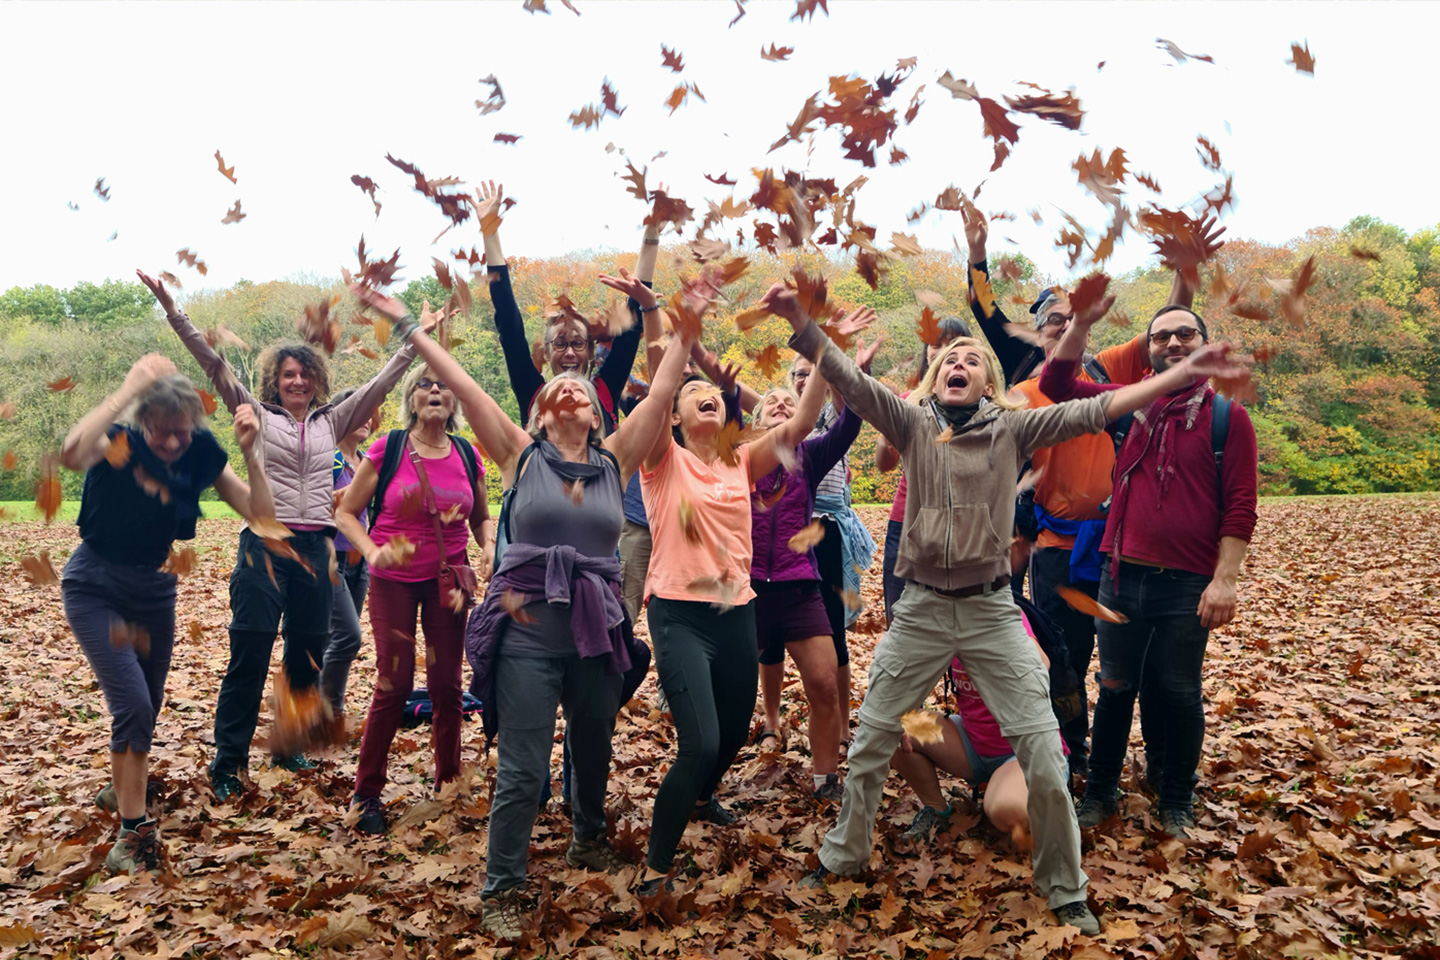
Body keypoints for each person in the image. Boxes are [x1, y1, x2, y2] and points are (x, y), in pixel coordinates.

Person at [769, 280, 1247, 935]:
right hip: (923, 611)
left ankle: (1064, 883)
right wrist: (800, 319)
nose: (958, 366)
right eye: (948, 362)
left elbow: (1104, 408)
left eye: (971, 361)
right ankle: (846, 851)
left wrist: (1181, 374)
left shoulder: (1015, 428)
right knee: (875, 734)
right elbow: (847, 379)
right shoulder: (910, 422)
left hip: (994, 611)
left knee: (1046, 755)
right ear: (934, 381)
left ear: (990, 383)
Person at [370, 277, 692, 940]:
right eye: (555, 390)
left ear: (599, 413)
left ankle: (587, 838)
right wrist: (410, 327)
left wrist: (674, 316)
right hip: (527, 637)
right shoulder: (521, 457)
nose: (568, 389)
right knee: (522, 767)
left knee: (595, 749)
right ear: (540, 411)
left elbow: (662, 390)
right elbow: (461, 383)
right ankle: (503, 884)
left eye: (579, 388)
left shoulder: (614, 460)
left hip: (596, 632)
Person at [138, 270, 425, 800]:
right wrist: (175, 312)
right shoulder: (255, 412)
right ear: (277, 379)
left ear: (316, 379)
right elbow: (213, 363)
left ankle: (291, 747)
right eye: (289, 375)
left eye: (305, 375)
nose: (297, 382)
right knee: (249, 652)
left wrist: (413, 341)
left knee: (307, 654)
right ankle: (228, 763)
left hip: (316, 549)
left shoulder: (332, 420)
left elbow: (381, 384)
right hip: (264, 547)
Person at [961, 208, 1225, 773]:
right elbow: (986, 314)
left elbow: (1171, 330)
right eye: (1052, 319)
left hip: (1117, 544)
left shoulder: (1108, 370)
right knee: (1066, 656)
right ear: (1037, 330)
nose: (1060, 324)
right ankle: (1070, 753)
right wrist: (977, 252)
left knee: (1133, 663)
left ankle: (1151, 758)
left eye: (1070, 318)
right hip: (1055, 543)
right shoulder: (1024, 387)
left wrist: (1185, 270)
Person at [635, 302, 834, 897]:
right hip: (677, 612)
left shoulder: (742, 461)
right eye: (694, 393)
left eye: (715, 394)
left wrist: (822, 353)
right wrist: (659, 319)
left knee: (734, 731)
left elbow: (801, 424)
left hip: (736, 613)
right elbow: (659, 381)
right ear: (673, 415)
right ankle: (655, 869)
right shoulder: (661, 460)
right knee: (700, 741)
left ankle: (700, 797)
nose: (709, 396)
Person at [1041, 303, 1258, 839]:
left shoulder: (1229, 418)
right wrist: (1082, 325)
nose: (1173, 343)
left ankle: (1176, 800)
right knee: (1115, 687)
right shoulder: (1126, 406)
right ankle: (1100, 795)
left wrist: (1224, 578)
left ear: (1204, 344)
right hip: (1120, 574)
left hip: (1187, 582)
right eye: (1161, 337)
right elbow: (1057, 381)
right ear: (1149, 348)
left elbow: (1240, 505)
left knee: (1179, 689)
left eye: (1186, 334)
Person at [59, 354, 275, 873]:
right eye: (161, 433)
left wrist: (252, 453)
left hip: (155, 588)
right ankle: (132, 838)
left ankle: (121, 790)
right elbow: (70, 455)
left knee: (147, 706)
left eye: (181, 432)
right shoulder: (119, 439)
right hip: (95, 584)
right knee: (132, 705)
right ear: (141, 422)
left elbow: (261, 515)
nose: (173, 443)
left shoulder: (200, 448)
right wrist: (129, 384)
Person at [333, 346, 493, 834]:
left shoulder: (468, 454)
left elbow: (483, 517)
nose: (435, 390)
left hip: (450, 581)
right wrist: (371, 549)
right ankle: (367, 795)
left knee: (447, 685)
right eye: (425, 384)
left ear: (454, 401)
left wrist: (488, 549)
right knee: (394, 683)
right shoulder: (390, 448)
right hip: (394, 581)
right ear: (411, 398)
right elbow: (345, 512)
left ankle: (449, 784)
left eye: (443, 384)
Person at [748, 359, 865, 800]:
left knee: (822, 684)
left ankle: (825, 779)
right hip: (749, 589)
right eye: (771, 402)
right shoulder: (739, 460)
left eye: (789, 401)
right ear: (757, 419)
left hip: (800, 588)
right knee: (732, 690)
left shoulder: (809, 455)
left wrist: (846, 376)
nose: (780, 404)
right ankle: (708, 782)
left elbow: (847, 428)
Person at [891, 614, 1061, 851]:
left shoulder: (1002, 612)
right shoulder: (944, 619)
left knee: (1006, 811)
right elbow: (907, 681)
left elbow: (1041, 664)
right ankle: (937, 811)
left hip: (1022, 752)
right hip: (973, 742)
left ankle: (1025, 795)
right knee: (890, 726)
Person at [788, 351, 878, 757]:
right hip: (787, 531)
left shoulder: (829, 416)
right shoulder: (781, 417)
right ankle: (774, 722)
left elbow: (851, 413)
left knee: (835, 629)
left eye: (813, 373)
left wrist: (853, 372)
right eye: (799, 373)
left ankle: (841, 724)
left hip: (828, 529)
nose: (804, 380)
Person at [875, 316, 973, 624]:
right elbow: (884, 464)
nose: (943, 350)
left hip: (962, 530)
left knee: (959, 628)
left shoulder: (982, 407)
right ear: (926, 352)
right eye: (936, 344)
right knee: (901, 622)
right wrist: (886, 421)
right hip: (907, 526)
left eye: (953, 343)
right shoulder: (909, 402)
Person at [321, 388, 382, 719]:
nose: (368, 420)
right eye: (360, 412)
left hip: (360, 563)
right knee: (347, 635)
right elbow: (317, 506)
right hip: (330, 559)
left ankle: (327, 710)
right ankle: (327, 713)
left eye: (371, 414)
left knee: (336, 638)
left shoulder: (366, 461)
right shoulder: (330, 459)